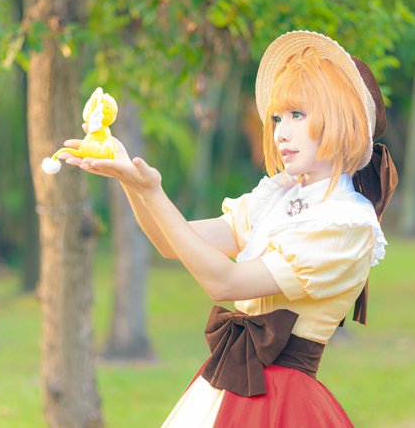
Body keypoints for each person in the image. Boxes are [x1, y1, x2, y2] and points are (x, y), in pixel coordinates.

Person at [60, 30, 397, 427]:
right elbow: (171, 243)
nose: (281, 132)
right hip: (231, 384)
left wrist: (152, 192)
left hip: (284, 403)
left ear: (341, 120)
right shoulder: (278, 197)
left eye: (298, 115)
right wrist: (131, 181)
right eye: (278, 118)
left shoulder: (345, 223)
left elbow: (225, 282)